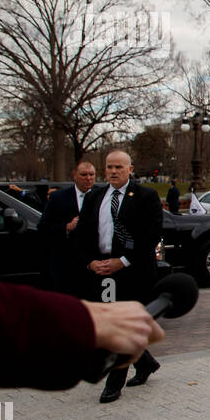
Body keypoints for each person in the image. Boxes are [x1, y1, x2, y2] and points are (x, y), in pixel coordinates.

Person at [0, 258, 163, 390]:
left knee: (124, 334)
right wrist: (81, 321)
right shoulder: (94, 199)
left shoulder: (142, 197)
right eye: (110, 166)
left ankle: (139, 368)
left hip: (123, 279)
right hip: (89, 285)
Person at [73, 149, 164, 403]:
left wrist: (122, 261)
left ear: (129, 169)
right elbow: (83, 235)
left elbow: (151, 235)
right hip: (101, 271)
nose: (113, 171)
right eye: (109, 167)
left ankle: (114, 384)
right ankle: (145, 363)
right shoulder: (95, 197)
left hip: (131, 272)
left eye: (119, 167)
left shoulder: (146, 197)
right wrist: (90, 262)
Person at [37, 161, 98, 293]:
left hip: (96, 265)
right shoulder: (58, 198)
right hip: (67, 265)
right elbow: (43, 227)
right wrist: (67, 227)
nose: (88, 178)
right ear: (74, 175)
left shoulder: (104, 196)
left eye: (91, 174)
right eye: (84, 174)